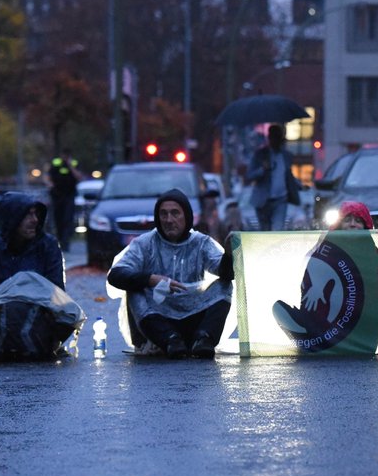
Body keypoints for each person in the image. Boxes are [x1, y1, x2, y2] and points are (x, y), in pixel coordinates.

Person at [107, 189, 232, 357]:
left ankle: (204, 339)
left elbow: (226, 273)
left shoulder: (202, 243)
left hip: (194, 317)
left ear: (187, 216)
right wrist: (151, 279)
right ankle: (170, 340)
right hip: (158, 323)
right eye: (163, 214)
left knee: (224, 285)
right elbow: (116, 275)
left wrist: (229, 255)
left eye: (175, 213)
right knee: (134, 288)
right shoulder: (145, 243)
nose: (169, 220)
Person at [0, 192, 78, 361]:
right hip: (1, 319)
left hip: (39, 315)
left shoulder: (48, 245)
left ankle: (48, 343)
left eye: (35, 214)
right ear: (12, 218)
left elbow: (57, 291)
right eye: (27, 215)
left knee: (71, 311)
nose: (34, 220)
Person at [273, 201, 378, 354]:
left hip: (362, 330)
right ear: (339, 224)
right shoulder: (326, 249)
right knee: (278, 309)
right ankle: (314, 341)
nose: (352, 224)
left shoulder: (372, 254)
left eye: (358, 221)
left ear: (365, 226)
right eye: (348, 220)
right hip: (324, 328)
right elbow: (309, 284)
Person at [246, 124, 301, 231]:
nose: (276, 141)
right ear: (269, 138)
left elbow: (288, 176)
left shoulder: (286, 156)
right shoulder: (260, 154)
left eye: (278, 138)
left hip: (281, 200)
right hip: (263, 201)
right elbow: (250, 175)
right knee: (265, 231)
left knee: (277, 230)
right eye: (274, 137)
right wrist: (263, 169)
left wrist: (299, 185)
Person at [48, 149, 81, 252]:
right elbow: (48, 176)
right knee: (58, 219)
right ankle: (60, 240)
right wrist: (49, 184)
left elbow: (79, 176)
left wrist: (70, 166)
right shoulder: (56, 163)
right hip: (57, 196)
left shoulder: (74, 164)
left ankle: (66, 242)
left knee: (68, 219)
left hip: (69, 196)